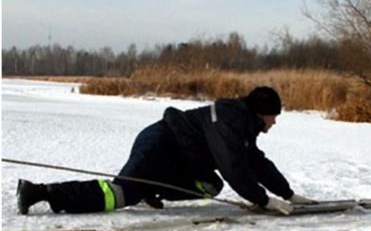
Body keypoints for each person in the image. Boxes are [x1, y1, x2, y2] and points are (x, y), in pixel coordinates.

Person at [16, 86, 315, 216]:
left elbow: (255, 162)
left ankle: (151, 191)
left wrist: (287, 194)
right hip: (160, 146)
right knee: (119, 195)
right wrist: (264, 201)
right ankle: (40, 192)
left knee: (210, 185)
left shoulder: (241, 125)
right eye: (274, 115)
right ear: (262, 112)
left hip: (180, 158)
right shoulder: (228, 121)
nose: (275, 122)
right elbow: (233, 167)